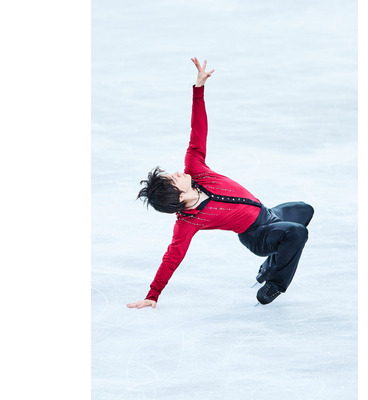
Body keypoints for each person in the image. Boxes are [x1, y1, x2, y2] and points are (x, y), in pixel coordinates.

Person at [126, 57, 314, 309]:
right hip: (257, 235)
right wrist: (153, 294)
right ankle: (274, 284)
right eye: (174, 179)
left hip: (269, 214)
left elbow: (197, 130)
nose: (177, 173)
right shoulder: (188, 222)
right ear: (178, 197)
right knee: (296, 232)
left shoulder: (196, 169)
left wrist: (199, 89)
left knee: (304, 210)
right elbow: (172, 258)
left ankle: (270, 264)